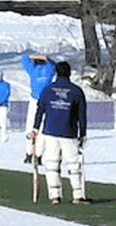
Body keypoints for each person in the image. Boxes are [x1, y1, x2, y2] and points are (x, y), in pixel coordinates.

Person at [32, 59, 89, 205]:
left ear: (56, 73)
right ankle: (78, 196)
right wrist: (83, 134)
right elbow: (82, 115)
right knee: (74, 165)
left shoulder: (47, 89)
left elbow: (40, 110)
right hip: (69, 133)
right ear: (69, 73)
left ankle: (54, 196)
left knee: (52, 164)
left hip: (50, 132)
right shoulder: (76, 91)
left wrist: (35, 128)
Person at [20, 52, 56, 162]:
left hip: (39, 101)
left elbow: (24, 58)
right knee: (37, 128)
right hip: (42, 101)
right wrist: (45, 57)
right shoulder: (48, 68)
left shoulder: (34, 69)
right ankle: (33, 154)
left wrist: (34, 56)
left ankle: (34, 154)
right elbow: (54, 64)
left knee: (33, 127)